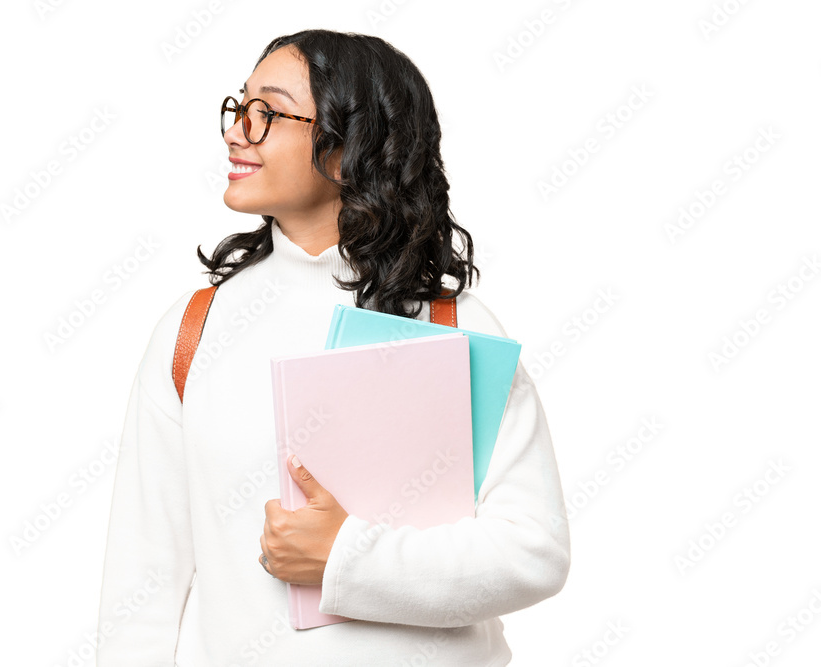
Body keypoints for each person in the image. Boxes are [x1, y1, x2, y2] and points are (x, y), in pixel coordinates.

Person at [96, 28, 570, 666]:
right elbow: (142, 587)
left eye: (267, 112)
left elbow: (533, 552)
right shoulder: (194, 329)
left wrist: (345, 556)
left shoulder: (456, 326)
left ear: (350, 149)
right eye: (239, 108)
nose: (236, 131)